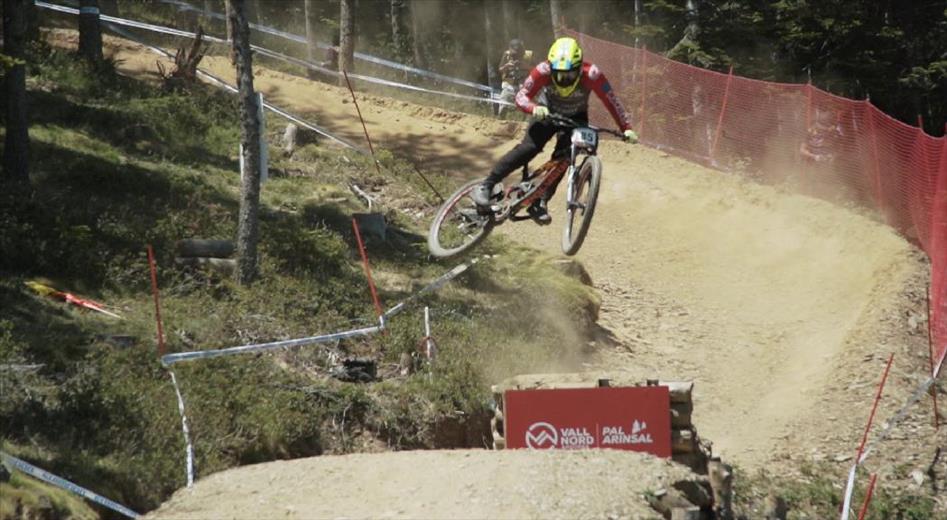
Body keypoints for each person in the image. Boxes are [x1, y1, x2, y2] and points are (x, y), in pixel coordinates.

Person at [472, 37, 638, 224]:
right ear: (551, 68)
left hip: (575, 118)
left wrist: (626, 128)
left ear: (578, 68)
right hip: (546, 112)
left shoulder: (592, 74)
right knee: (530, 147)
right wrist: (533, 108)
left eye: (568, 75)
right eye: (558, 75)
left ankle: (540, 202)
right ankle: (487, 185)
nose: (563, 79)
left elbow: (612, 101)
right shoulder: (543, 69)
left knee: (564, 159)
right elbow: (521, 96)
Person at [497, 39, 530, 116]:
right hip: (509, 83)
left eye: (519, 55)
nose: (517, 57)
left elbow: (538, 69)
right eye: (515, 55)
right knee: (504, 100)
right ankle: (501, 118)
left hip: (524, 84)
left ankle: (526, 120)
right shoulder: (506, 55)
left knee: (527, 102)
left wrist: (525, 66)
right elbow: (500, 69)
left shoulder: (528, 56)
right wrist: (507, 65)